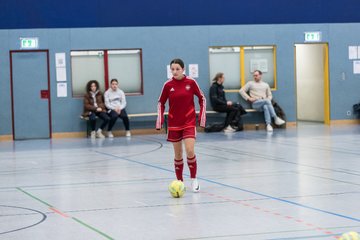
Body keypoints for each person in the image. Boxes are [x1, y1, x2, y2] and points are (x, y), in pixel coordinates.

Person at [156, 58, 206, 192]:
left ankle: (194, 178)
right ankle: (180, 182)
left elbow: (202, 98)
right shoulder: (167, 85)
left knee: (190, 150)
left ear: (183, 69)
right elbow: (161, 102)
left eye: (177, 69)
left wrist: (201, 117)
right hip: (173, 123)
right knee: (178, 154)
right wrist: (160, 120)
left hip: (189, 122)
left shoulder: (191, 82)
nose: (175, 71)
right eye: (172, 69)